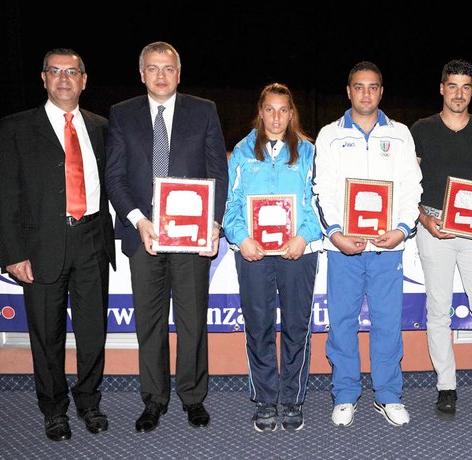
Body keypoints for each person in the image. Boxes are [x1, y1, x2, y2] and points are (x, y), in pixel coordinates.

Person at [0, 48, 116, 441]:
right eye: (55, 71)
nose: (64, 78)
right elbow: (6, 194)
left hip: (92, 239)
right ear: (43, 78)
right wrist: (14, 253)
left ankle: (89, 402)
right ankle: (54, 409)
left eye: (72, 72)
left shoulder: (101, 126)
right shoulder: (16, 127)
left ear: (84, 80)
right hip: (41, 244)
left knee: (93, 331)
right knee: (47, 335)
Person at [105, 41, 228, 432]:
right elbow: (115, 176)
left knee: (192, 320)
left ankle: (193, 397)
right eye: (153, 68)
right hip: (144, 235)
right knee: (149, 322)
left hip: (191, 237)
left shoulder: (203, 111)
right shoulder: (122, 114)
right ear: (142, 73)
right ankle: (154, 399)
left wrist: (213, 223)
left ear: (179, 73)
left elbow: (217, 173)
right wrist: (139, 220)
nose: (161, 75)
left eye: (169, 68)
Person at [313, 61, 422, 427]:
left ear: (381, 91)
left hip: (387, 248)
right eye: (359, 87)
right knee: (342, 322)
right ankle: (345, 394)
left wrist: (402, 229)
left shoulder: (400, 134)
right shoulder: (329, 135)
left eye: (373, 87)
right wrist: (336, 234)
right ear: (348, 91)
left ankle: (388, 395)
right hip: (343, 248)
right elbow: (322, 190)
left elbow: (411, 187)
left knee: (387, 323)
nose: (366, 93)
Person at [410, 59, 472, 421]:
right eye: (452, 86)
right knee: (438, 310)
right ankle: (446, 386)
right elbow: (408, 184)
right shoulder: (421, 129)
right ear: (441, 88)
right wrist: (425, 219)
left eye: (466, 87)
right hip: (434, 226)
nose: (459, 94)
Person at [223, 83, 322, 433]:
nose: (276, 117)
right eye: (270, 110)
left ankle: (292, 399)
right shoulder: (242, 151)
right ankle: (266, 399)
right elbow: (230, 205)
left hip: (298, 252)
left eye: (283, 110)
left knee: (296, 327)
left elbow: (318, 203)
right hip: (254, 254)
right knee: (259, 326)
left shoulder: (308, 152)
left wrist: (303, 236)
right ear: (260, 112)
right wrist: (241, 238)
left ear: (292, 114)